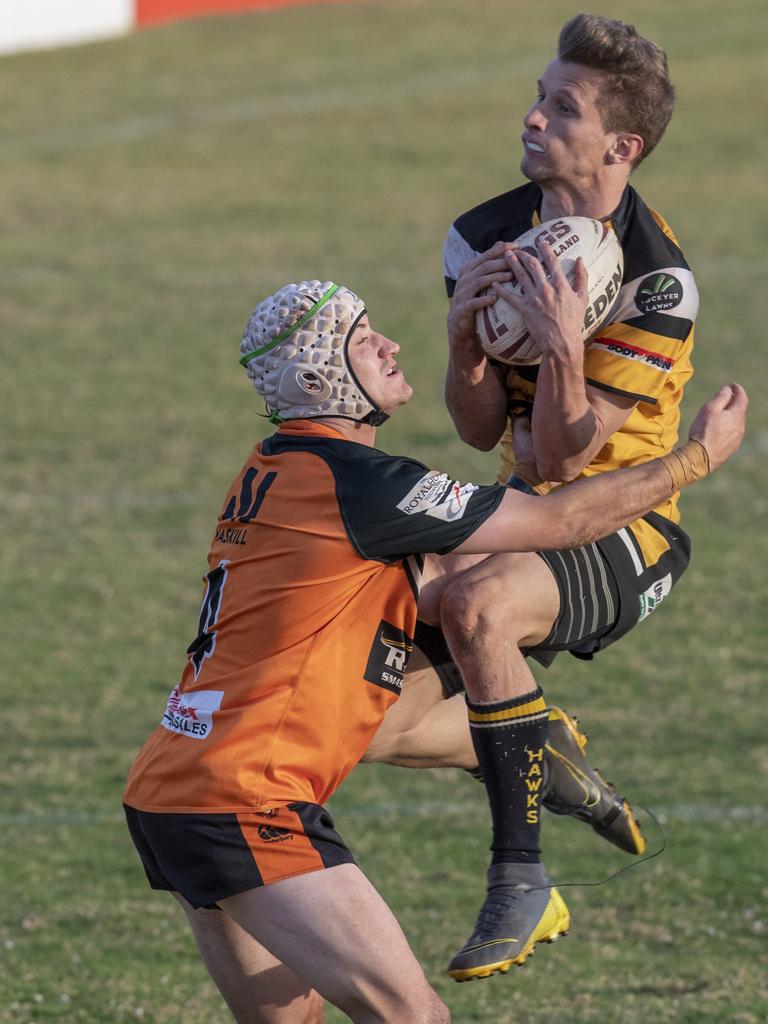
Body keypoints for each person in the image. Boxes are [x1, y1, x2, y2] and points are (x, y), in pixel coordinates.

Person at [122, 278, 746, 1023]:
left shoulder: (273, 469)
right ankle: (529, 749)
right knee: (412, 1017)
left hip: (171, 788)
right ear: (323, 378)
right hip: (245, 797)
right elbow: (559, 525)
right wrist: (693, 460)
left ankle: (526, 745)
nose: (389, 344)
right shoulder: (359, 484)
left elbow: (423, 579)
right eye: (362, 340)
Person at [400, 13, 709, 982]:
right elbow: (479, 428)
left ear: (621, 146)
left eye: (560, 107)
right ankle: (539, 738)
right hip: (526, 509)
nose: (532, 117)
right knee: (368, 638)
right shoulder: (481, 233)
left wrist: (563, 346)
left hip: (630, 525)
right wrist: (462, 342)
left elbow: (572, 453)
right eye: (539, 94)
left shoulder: (659, 284)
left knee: (477, 604)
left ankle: (522, 879)